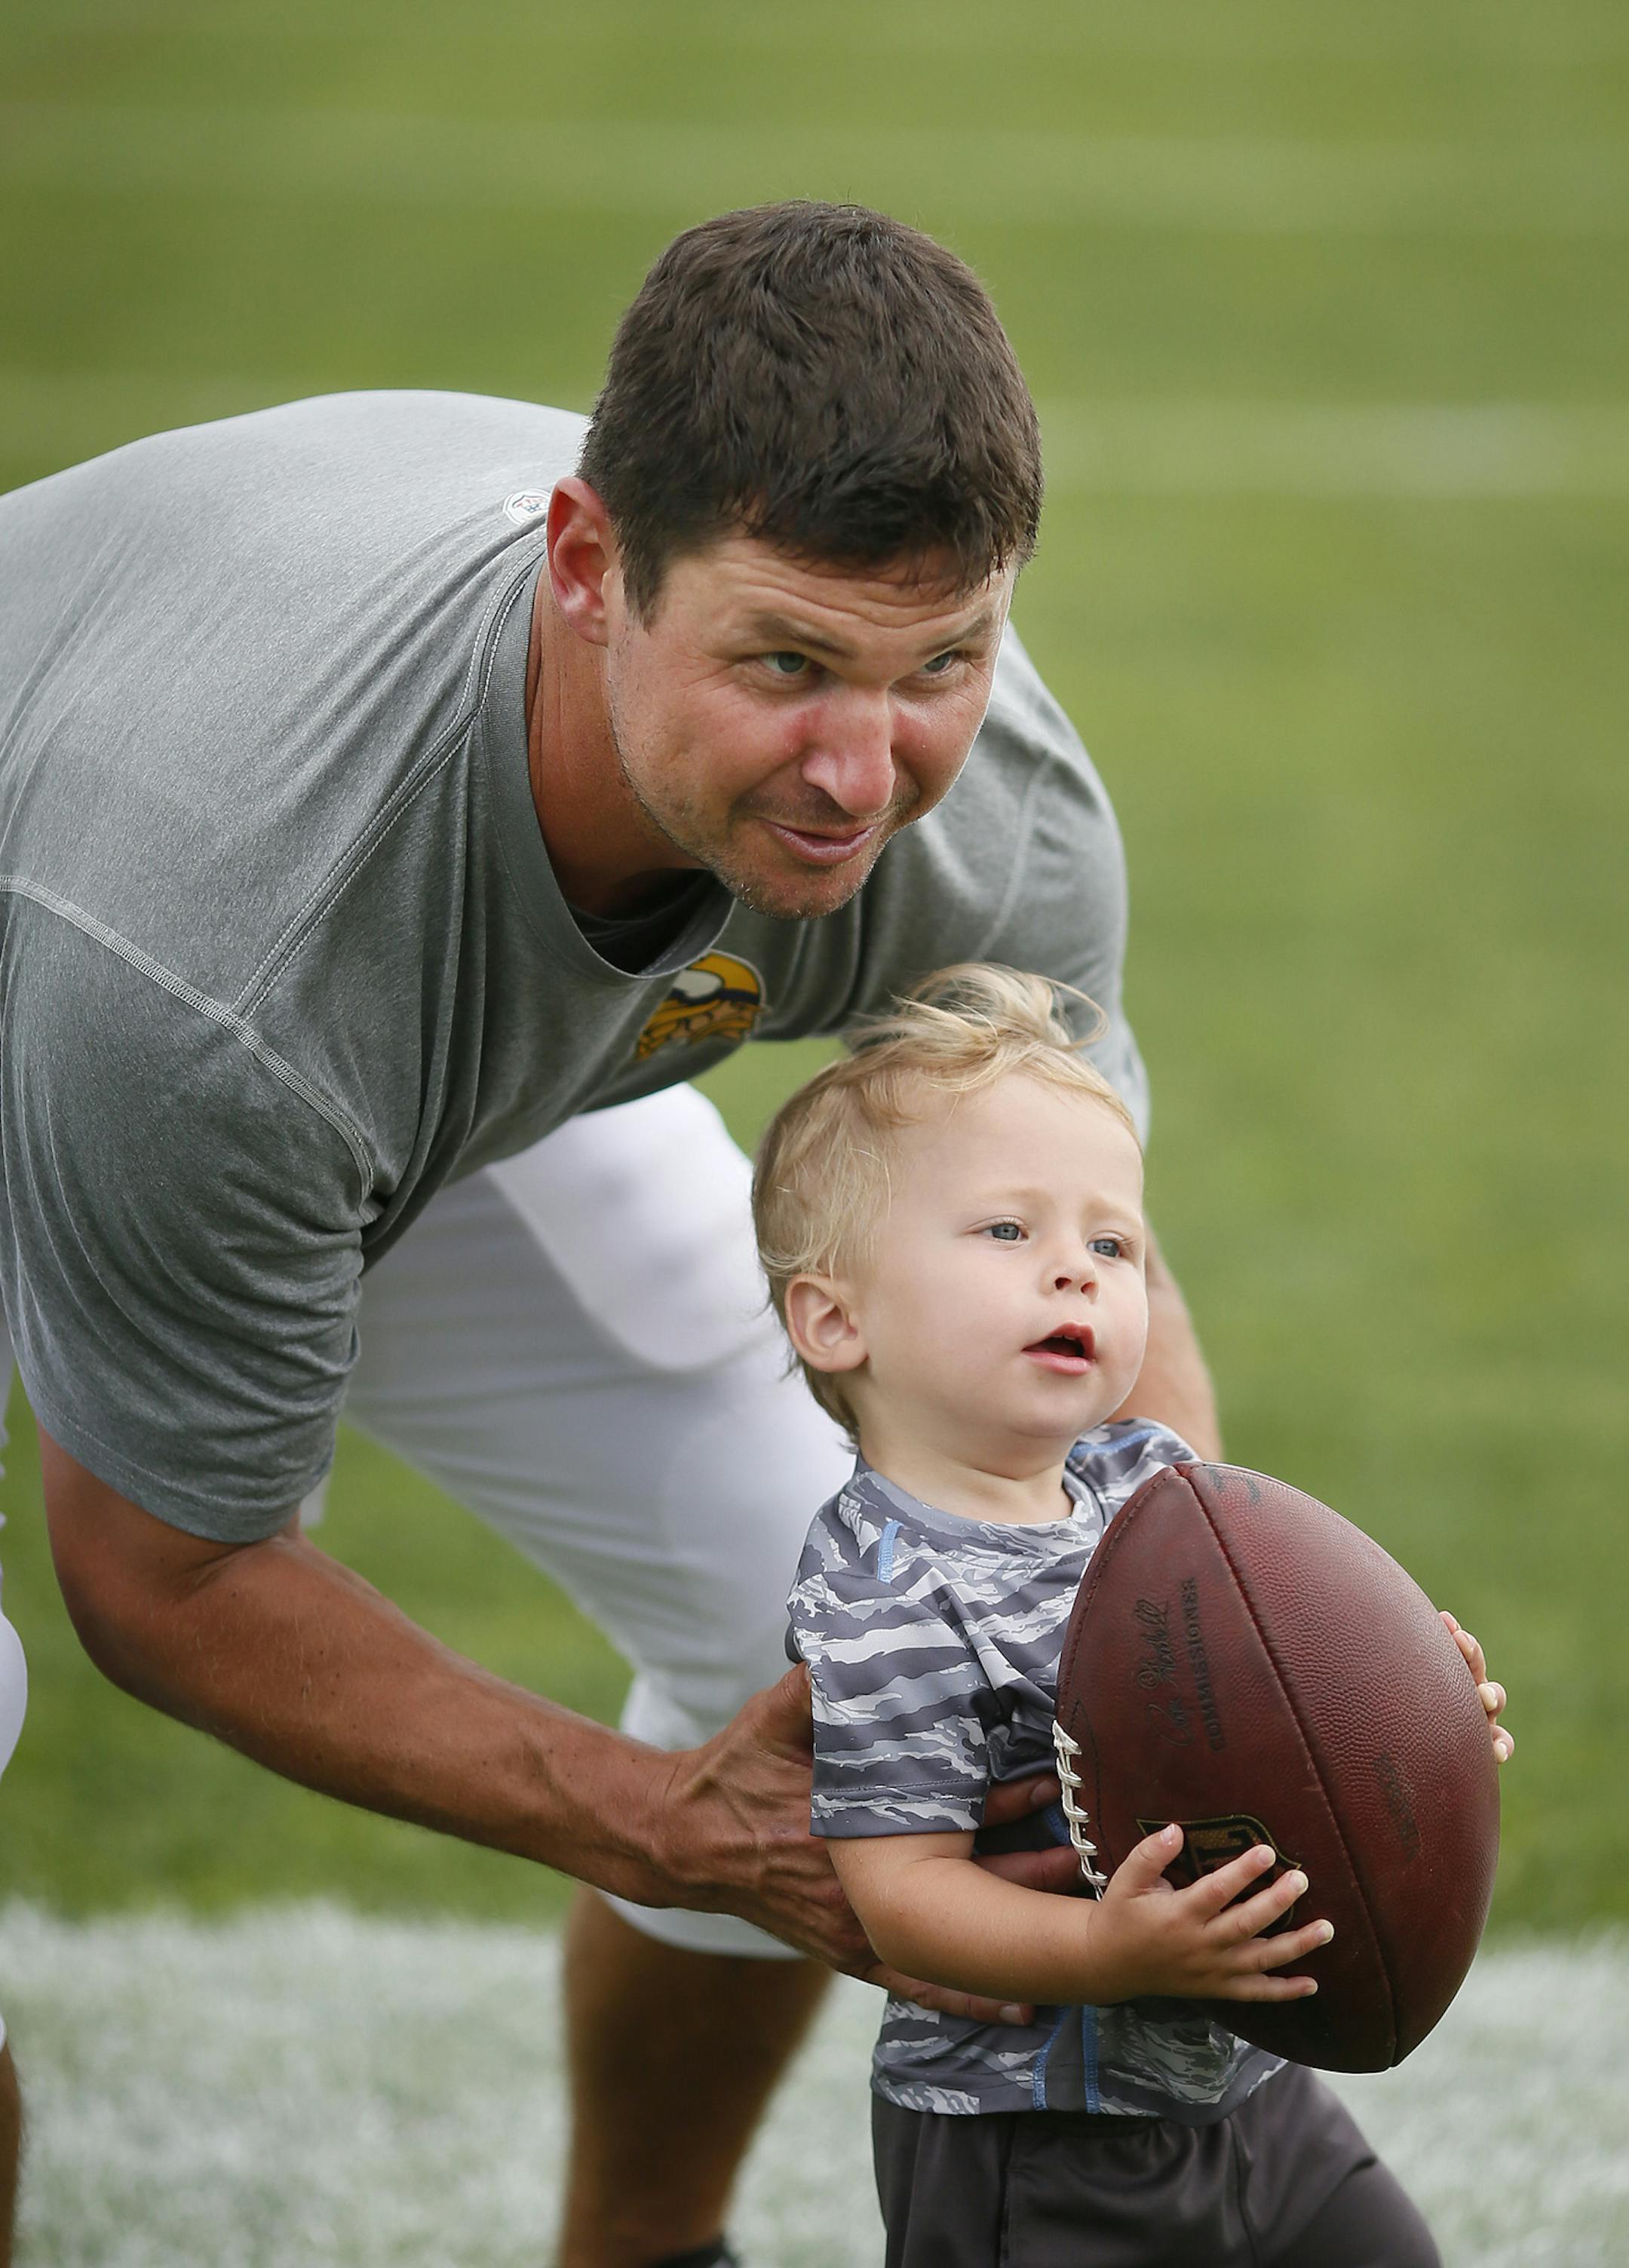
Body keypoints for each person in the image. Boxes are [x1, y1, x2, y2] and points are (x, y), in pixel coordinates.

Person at [2, 204, 1222, 2267]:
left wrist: (1245, 1621)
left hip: (359, 1033)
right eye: (785, 663)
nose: (866, 772)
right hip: (159, 946)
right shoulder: (234, 965)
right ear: (587, 568)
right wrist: (672, 1822)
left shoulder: (984, 810)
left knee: (815, 1629)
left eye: (942, 660)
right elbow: (169, 1574)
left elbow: (1075, 1279)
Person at [765, 964, 1513, 2268]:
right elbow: (901, 1895)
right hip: (1042, 2139)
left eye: (1111, 1244)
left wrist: (1413, 1705)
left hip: (1249, 2082)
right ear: (838, 1317)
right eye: (1010, 1233)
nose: (1077, 1273)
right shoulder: (883, 1594)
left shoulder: (1151, 1489)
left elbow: (1284, 1682)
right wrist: (1104, 1947)